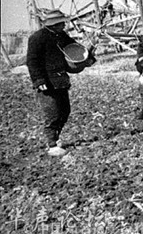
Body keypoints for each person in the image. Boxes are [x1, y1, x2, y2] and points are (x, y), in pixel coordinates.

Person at [26, 9, 95, 156]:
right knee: (52, 113)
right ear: (53, 24)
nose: (64, 25)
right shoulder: (37, 38)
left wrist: (89, 58)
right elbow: (32, 62)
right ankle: (51, 145)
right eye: (61, 23)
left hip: (61, 80)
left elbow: (76, 49)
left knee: (65, 111)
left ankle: (56, 139)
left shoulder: (61, 35)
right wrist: (39, 80)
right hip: (47, 82)